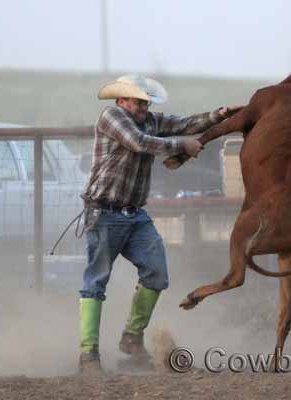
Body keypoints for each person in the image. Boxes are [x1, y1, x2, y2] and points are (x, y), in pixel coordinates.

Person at [78, 75, 240, 373]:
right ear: (121, 100)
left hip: (133, 213)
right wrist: (182, 145)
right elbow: (140, 143)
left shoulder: (149, 120)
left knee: (156, 273)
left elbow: (184, 123)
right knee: (96, 281)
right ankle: (88, 354)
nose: (143, 106)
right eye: (138, 101)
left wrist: (219, 114)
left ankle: (131, 338)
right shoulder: (112, 117)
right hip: (104, 211)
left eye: (145, 101)